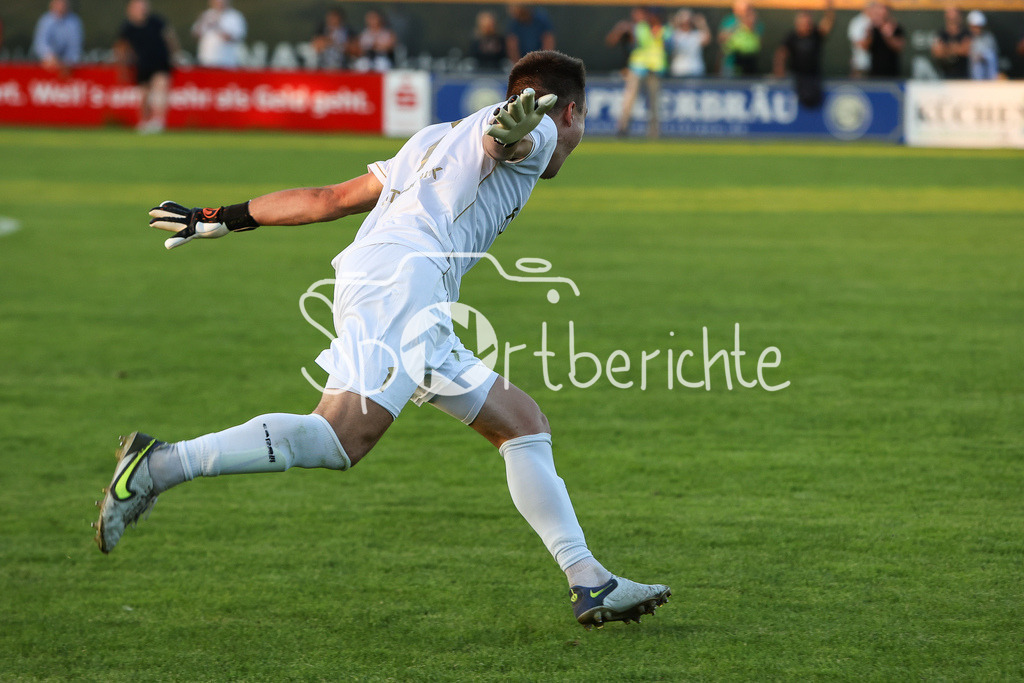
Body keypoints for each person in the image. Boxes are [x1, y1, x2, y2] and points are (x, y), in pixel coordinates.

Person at [92, 49, 670, 631]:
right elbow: (508, 144)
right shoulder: (539, 128)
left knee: (522, 424)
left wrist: (219, 215)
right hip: (405, 282)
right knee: (340, 437)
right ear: (572, 111)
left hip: (395, 282)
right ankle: (159, 465)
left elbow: (330, 199)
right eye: (581, 119)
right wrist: (507, 137)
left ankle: (588, 579)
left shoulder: (432, 139)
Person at [116, 0, 178, 134]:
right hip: (142, 65)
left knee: (160, 89)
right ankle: (144, 122)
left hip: (160, 61)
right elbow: (121, 47)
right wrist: (122, 67)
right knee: (144, 95)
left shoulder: (157, 22)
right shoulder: (127, 27)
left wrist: (174, 55)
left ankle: (159, 121)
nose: (142, 9)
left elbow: (170, 38)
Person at [616, 8, 669, 139]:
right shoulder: (641, 28)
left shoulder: (665, 30)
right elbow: (634, 41)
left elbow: (667, 45)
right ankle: (623, 128)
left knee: (654, 103)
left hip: (655, 69)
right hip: (638, 67)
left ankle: (654, 132)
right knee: (629, 100)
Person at [773, 1, 835, 109]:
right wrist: (779, 73)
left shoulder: (816, 34)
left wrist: (829, 6)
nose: (805, 24)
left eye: (807, 21)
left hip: (814, 76)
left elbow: (828, 22)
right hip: (797, 77)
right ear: (797, 23)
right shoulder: (792, 37)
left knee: (814, 100)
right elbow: (780, 54)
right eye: (802, 21)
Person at [31, 0, 83, 72]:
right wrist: (49, 57)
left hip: (68, 67)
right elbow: (40, 43)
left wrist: (67, 62)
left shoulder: (74, 22)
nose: (61, 6)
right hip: (45, 63)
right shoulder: (45, 21)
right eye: (58, 3)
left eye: (63, 3)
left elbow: (75, 47)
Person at [191, 0, 246, 68]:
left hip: (225, 62)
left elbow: (235, 37)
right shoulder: (207, 14)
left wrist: (217, 26)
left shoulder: (234, 16)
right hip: (205, 60)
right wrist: (202, 22)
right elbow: (195, 34)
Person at [718, 0, 764, 77]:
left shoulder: (755, 21)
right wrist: (737, 26)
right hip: (731, 61)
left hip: (749, 63)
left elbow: (758, 41)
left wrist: (749, 23)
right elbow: (721, 38)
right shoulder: (729, 20)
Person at [859, 3, 904, 78]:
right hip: (875, 72)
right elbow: (864, 47)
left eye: (884, 11)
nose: (881, 13)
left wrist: (888, 36)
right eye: (878, 11)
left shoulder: (895, 27)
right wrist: (869, 34)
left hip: (892, 72)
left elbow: (899, 47)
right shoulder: (871, 28)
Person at [668, 9, 711, 78]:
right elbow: (668, 42)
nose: (686, 24)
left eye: (688, 22)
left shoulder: (696, 34)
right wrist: (675, 22)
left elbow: (707, 40)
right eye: (684, 22)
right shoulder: (675, 34)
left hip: (695, 70)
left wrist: (702, 24)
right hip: (679, 71)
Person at [931, 5, 970, 79]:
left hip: (964, 76)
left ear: (960, 17)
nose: (952, 21)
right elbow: (937, 53)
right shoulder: (941, 33)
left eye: (954, 18)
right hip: (944, 75)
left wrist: (946, 48)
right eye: (950, 19)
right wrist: (956, 48)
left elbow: (966, 50)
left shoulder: (966, 33)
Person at [966, 10, 998, 80]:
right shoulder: (967, 38)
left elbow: (992, 56)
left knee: (989, 56)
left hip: (989, 76)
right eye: (974, 26)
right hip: (973, 77)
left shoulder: (989, 37)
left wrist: (982, 56)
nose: (977, 29)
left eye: (979, 26)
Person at [847, 1, 874, 78]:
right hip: (861, 64)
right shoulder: (858, 22)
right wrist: (870, 35)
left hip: (877, 66)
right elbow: (860, 44)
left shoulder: (877, 21)